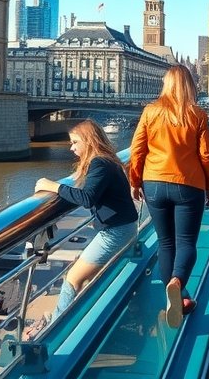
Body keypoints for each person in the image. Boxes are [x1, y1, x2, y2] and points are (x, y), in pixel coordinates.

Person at [129, 65, 209, 328]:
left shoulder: (150, 112)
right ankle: (178, 282)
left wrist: (135, 181)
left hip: (154, 183)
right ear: (189, 86)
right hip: (188, 184)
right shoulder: (198, 115)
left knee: (166, 243)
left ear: (166, 85)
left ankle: (176, 300)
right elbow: (207, 155)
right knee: (187, 242)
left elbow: (137, 150)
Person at [34, 120, 138, 327]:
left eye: (74, 142)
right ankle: (71, 317)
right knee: (86, 275)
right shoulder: (108, 160)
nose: (71, 148)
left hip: (115, 231)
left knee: (72, 279)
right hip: (123, 227)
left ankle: (56, 329)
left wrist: (53, 186)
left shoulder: (99, 163)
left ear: (89, 142)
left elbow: (88, 198)